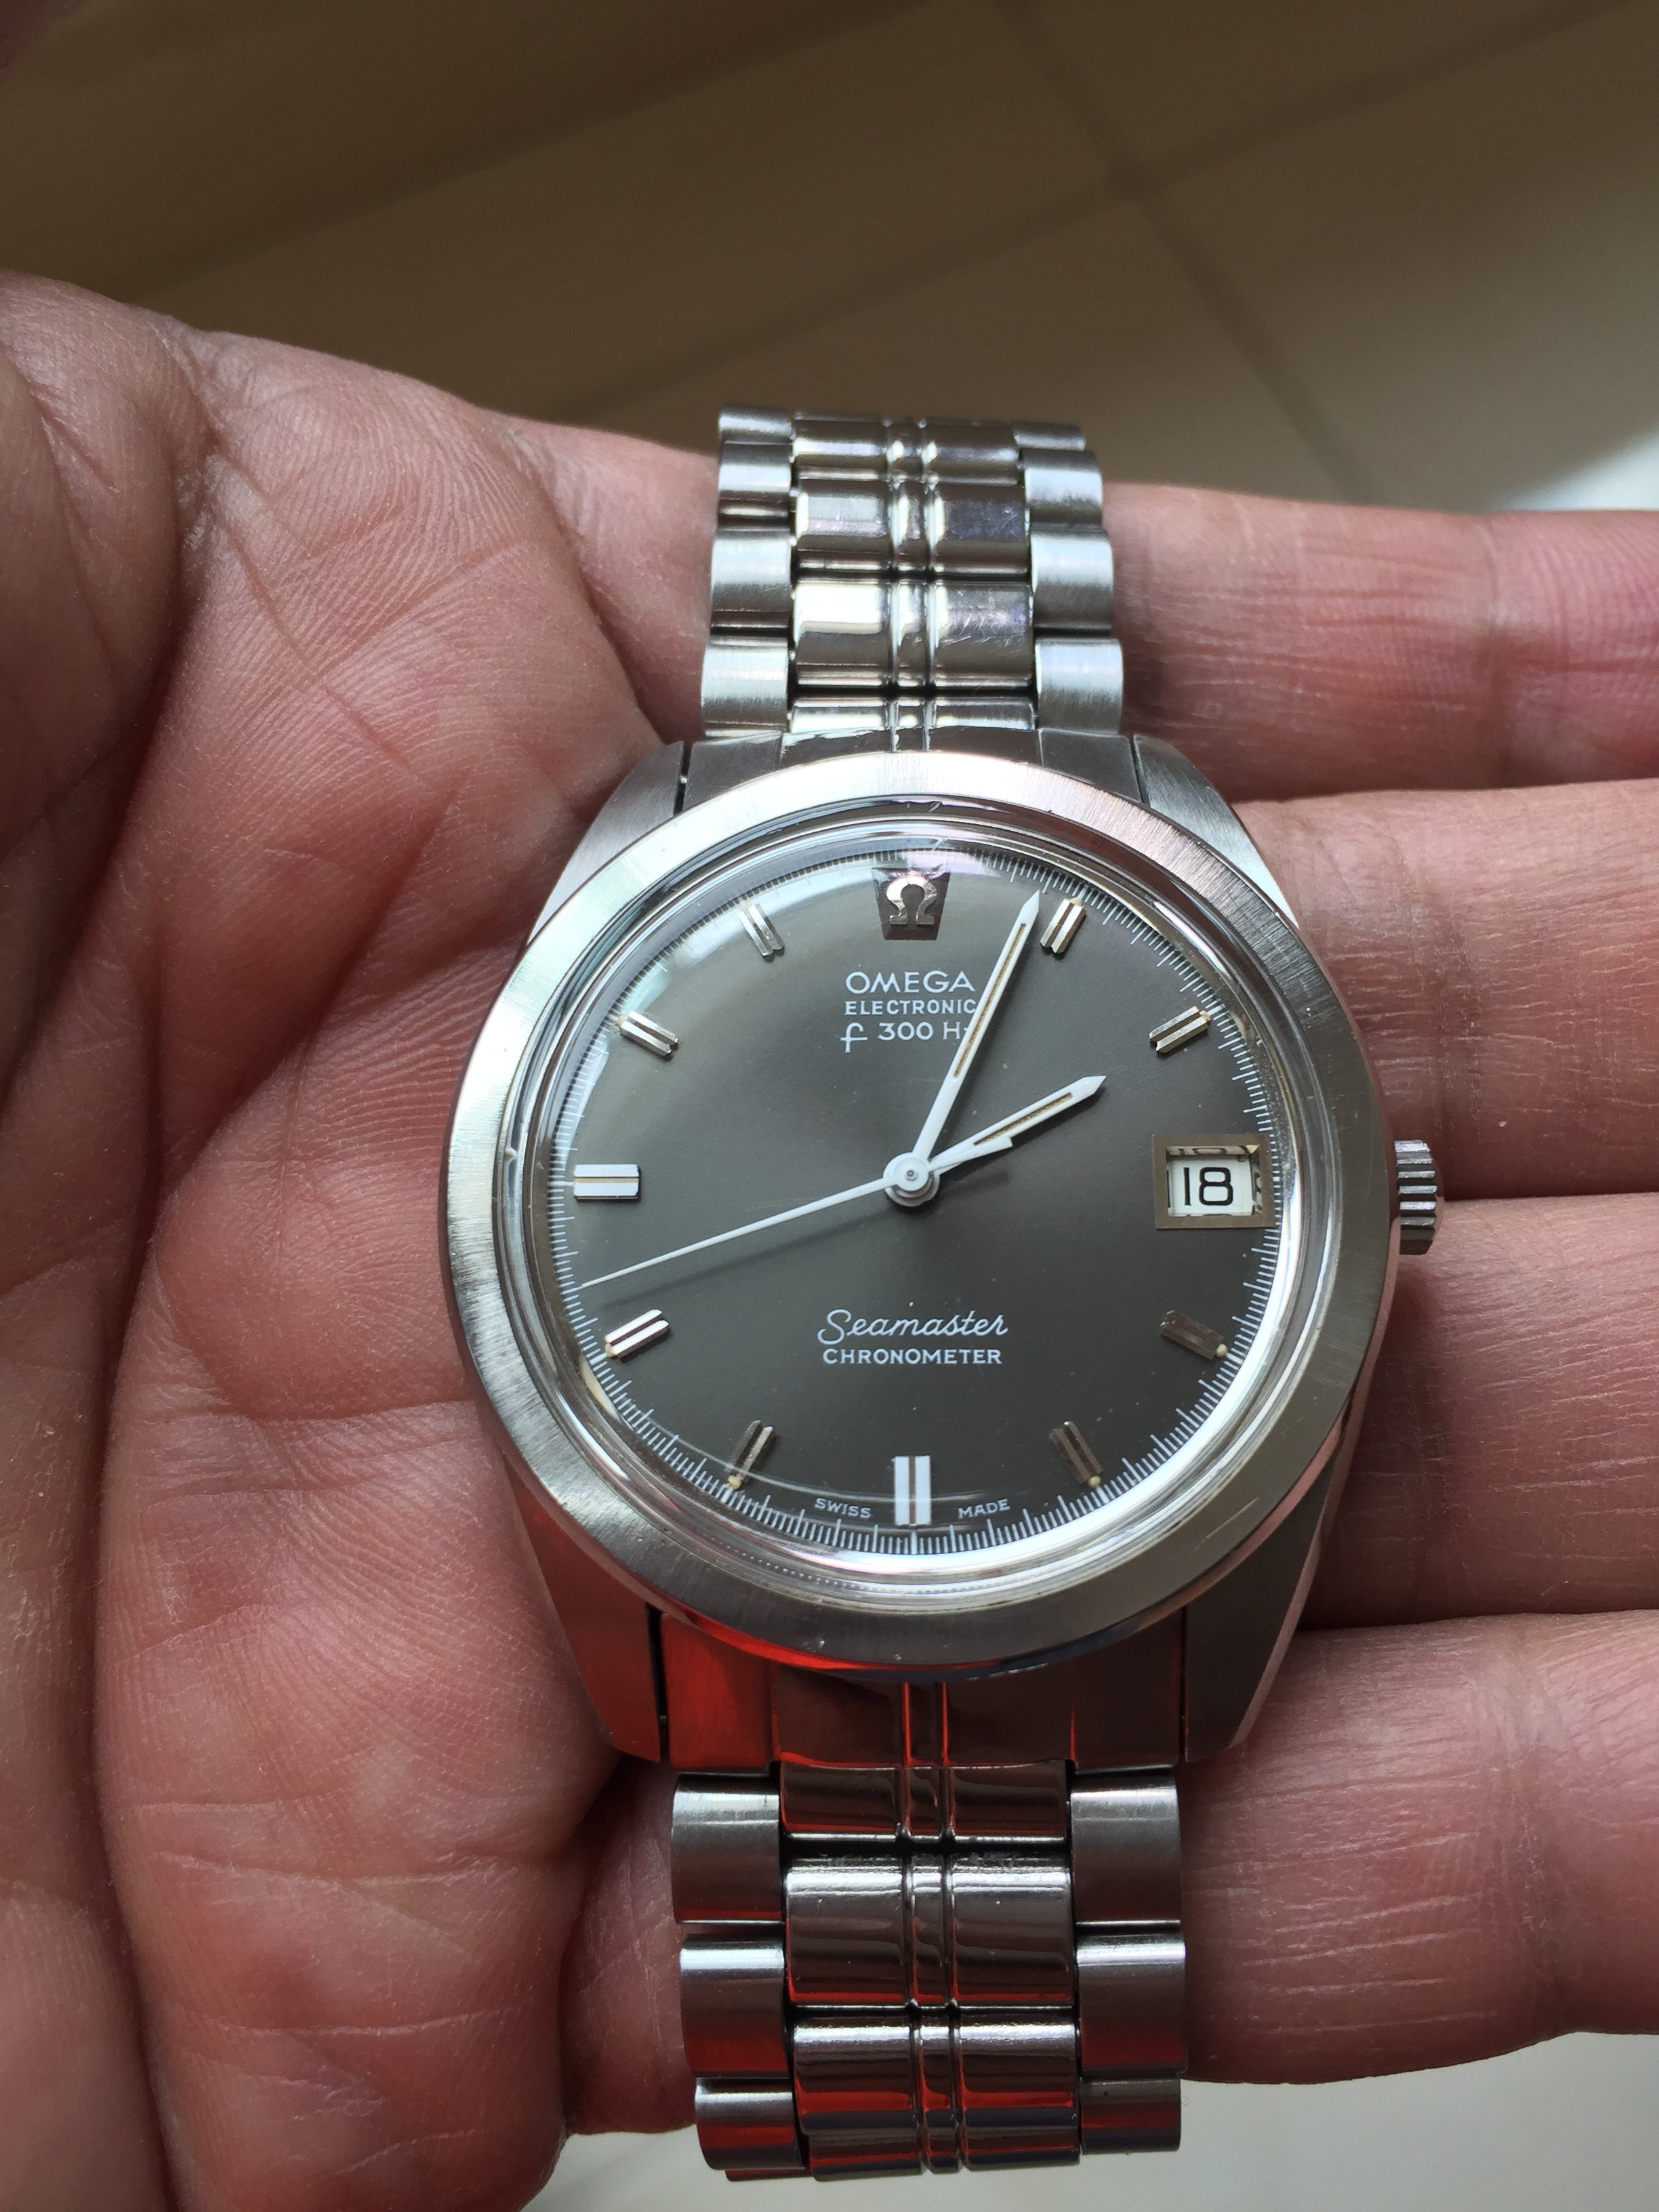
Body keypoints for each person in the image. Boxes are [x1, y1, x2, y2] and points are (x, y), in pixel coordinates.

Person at [1, 275, 1655, 2211]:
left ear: (1380, 1202)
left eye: (927, 1176)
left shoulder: (843, 900)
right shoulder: (700, 898)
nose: (908, 1186)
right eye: (895, 1177)